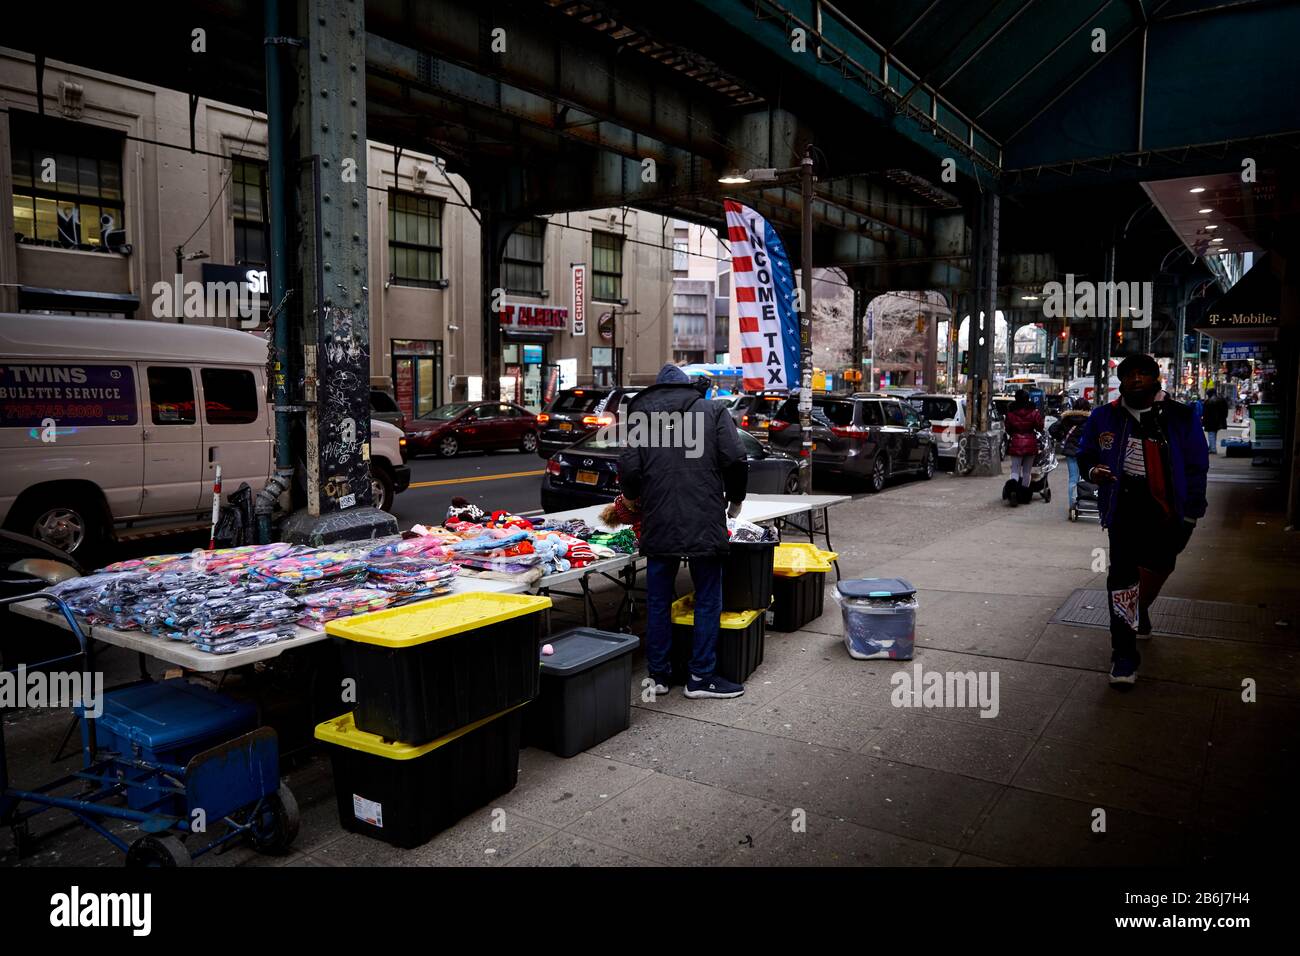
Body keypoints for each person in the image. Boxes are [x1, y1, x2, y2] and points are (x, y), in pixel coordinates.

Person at [1077, 354, 1209, 686]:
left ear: (1155, 379)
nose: (1136, 379)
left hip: (1167, 511)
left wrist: (1192, 513)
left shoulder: (1180, 417)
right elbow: (1085, 452)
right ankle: (1123, 655)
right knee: (1122, 578)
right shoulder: (1103, 417)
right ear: (1121, 382)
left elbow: (1197, 466)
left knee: (1159, 567)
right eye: (1129, 374)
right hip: (1122, 509)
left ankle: (1140, 610)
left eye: (1144, 374)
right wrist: (1093, 470)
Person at [620, 364, 749, 699]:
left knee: (659, 599)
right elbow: (735, 459)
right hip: (704, 516)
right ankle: (700, 678)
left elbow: (629, 468)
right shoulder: (713, 409)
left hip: (658, 518)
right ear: (688, 387)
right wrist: (735, 501)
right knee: (708, 597)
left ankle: (659, 677)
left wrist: (634, 499)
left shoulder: (641, 417)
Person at [1049, 397, 1092, 516]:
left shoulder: (1066, 418)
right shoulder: (1091, 419)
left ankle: (1073, 506)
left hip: (1071, 452)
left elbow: (1052, 429)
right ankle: (1083, 502)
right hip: (1085, 453)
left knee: (1073, 479)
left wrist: (1061, 437)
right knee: (1085, 478)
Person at [1002, 389, 1044, 507]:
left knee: (1015, 470)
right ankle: (1024, 496)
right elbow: (1040, 427)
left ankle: (1013, 491)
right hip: (1030, 443)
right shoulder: (1033, 412)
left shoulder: (1011, 413)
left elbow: (1008, 428)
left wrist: (1015, 434)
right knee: (1027, 472)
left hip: (1016, 442)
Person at [1201, 388, 1229, 455]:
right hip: (1218, 421)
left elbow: (1205, 413)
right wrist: (1223, 418)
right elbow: (1225, 410)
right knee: (1214, 434)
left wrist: (1203, 421)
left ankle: (1212, 449)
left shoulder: (1208, 402)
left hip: (1210, 421)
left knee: (1211, 434)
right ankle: (1211, 447)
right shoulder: (1221, 400)